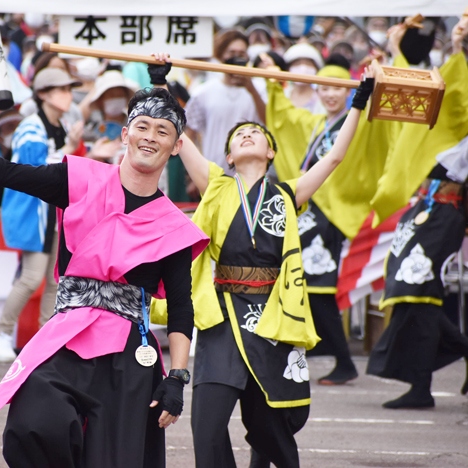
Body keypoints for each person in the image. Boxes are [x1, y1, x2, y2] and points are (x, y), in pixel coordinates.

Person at [0, 86, 209, 467]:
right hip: (68, 337)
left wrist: (178, 378)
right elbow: (7, 172)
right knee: (35, 424)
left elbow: (182, 307)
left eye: (163, 131)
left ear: (177, 146)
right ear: (124, 134)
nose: (150, 136)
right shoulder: (81, 180)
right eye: (142, 126)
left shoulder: (172, 227)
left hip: (128, 357)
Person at [151, 54, 375, 467]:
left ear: (271, 152)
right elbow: (180, 135)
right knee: (207, 427)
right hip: (222, 317)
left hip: (273, 318)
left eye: (257, 133)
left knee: (269, 428)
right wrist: (161, 82)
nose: (249, 135)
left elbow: (334, 157)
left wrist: (359, 99)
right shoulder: (216, 185)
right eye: (240, 135)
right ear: (230, 157)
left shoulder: (287, 194)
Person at [262, 53, 399, 386]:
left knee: (317, 288)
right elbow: (284, 117)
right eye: (324, 87)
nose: (330, 94)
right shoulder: (317, 124)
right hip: (313, 213)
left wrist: (368, 90)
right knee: (302, 284)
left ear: (349, 91)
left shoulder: (360, 122)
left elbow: (380, 124)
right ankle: (320, 355)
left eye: (338, 88)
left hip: (333, 214)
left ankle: (341, 360)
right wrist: (273, 81)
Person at [366, 17, 468, 410]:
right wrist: (395, 51)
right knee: (405, 287)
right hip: (424, 207)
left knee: (419, 290)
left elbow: (453, 86)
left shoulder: (457, 97)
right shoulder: (438, 90)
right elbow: (410, 86)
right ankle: (451, 356)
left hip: (445, 207)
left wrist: (459, 46)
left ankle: (421, 386)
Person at [0, 68, 83, 362]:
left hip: (55, 214)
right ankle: (1, 334)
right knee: (31, 278)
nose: (68, 94)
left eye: (69, 89)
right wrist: (70, 147)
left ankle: (45, 336)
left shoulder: (62, 124)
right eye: (62, 89)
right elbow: (37, 170)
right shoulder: (31, 127)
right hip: (34, 213)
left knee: (55, 280)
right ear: (43, 95)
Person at [184, 32, 265, 174]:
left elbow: (269, 120)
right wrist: (194, 172)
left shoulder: (260, 88)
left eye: (241, 53)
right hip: (214, 174)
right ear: (221, 56)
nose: (236, 57)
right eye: (231, 52)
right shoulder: (203, 92)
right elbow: (189, 134)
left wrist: (251, 89)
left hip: (253, 174)